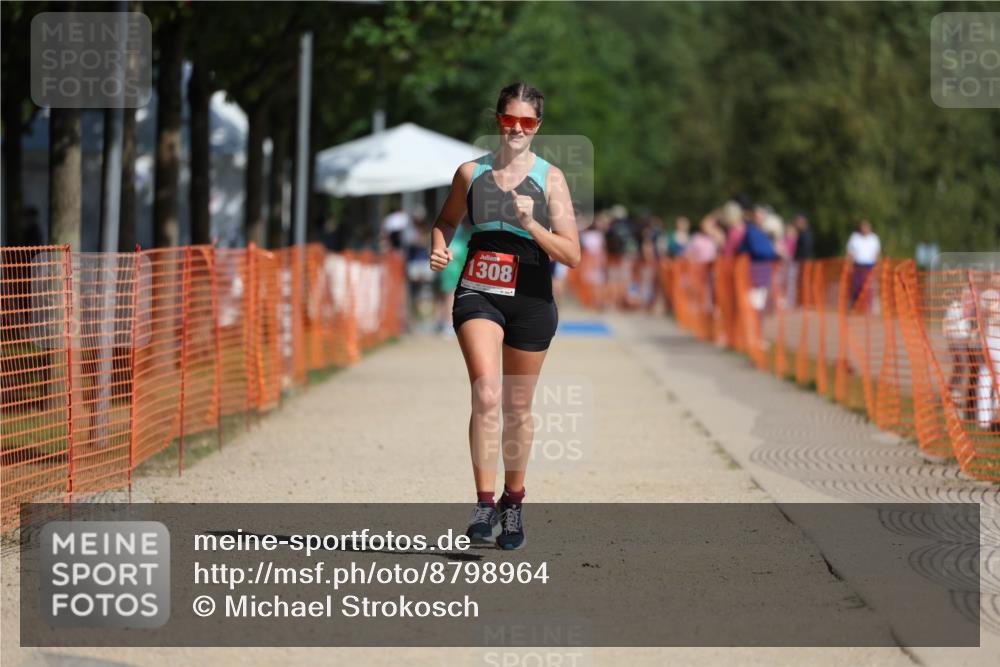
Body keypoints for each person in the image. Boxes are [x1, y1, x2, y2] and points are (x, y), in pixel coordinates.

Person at [429, 82, 581, 550]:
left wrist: (532, 224)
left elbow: (572, 254)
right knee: (487, 392)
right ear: (498, 120)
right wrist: (439, 246)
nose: (516, 129)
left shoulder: (551, 179)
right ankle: (482, 502)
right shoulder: (470, 173)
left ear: (538, 126)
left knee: (517, 407)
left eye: (526, 122)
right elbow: (446, 221)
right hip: (479, 289)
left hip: (531, 296)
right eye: (509, 120)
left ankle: (512, 503)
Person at [847, 219, 881, 306]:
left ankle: (867, 306)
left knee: (869, 287)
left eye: (866, 227)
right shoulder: (855, 237)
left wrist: (878, 266)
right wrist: (849, 265)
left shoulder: (874, 238)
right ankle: (856, 304)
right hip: (857, 265)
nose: (865, 229)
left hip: (869, 266)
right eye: (863, 227)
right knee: (857, 286)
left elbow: (877, 253)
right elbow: (850, 253)